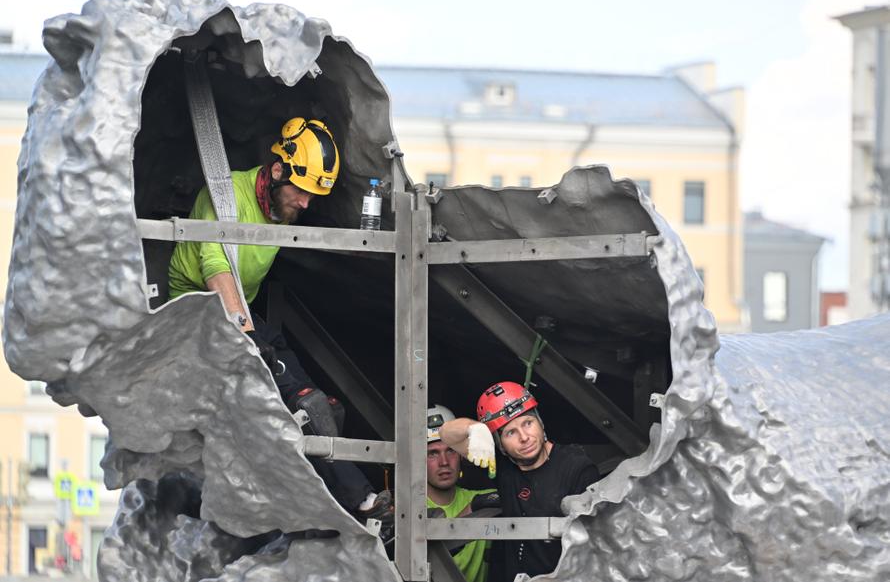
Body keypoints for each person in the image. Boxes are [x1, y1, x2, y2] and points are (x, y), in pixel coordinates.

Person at [167, 117, 393, 537]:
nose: (306, 205)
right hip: (197, 318)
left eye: (312, 196)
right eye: (301, 193)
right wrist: (247, 339)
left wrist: (250, 330)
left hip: (245, 316)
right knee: (301, 410)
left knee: (322, 409)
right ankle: (340, 507)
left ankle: (364, 502)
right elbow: (218, 272)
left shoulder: (282, 207)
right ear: (276, 171)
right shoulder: (225, 195)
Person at [440, 382, 602, 582]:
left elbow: (594, 547)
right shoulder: (502, 465)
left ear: (540, 422)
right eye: (510, 432)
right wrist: (475, 428)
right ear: (500, 445)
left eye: (528, 423)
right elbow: (446, 433)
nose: (524, 437)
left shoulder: (577, 468)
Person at [427, 405, 498, 582]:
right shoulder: (407, 510)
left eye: (450, 450)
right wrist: (471, 510)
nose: (444, 462)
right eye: (432, 453)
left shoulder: (485, 498)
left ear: (461, 456)